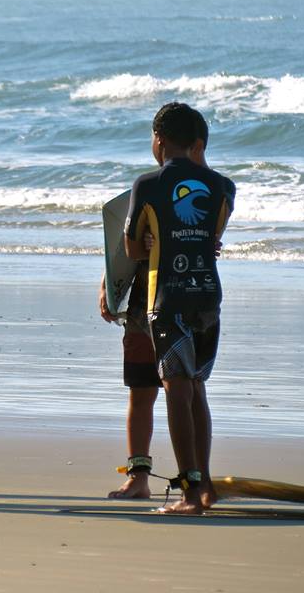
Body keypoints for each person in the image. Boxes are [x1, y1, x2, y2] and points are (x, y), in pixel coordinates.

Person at [123, 102, 234, 515]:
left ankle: (189, 496)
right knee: (196, 389)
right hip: (208, 297)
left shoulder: (148, 184)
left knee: (176, 389)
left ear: (159, 139)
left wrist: (148, 241)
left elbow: (133, 247)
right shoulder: (224, 186)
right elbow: (213, 236)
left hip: (167, 299)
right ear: (197, 142)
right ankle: (204, 486)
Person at [100, 112, 211, 500]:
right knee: (143, 389)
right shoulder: (150, 188)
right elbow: (123, 244)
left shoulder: (166, 186)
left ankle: (196, 482)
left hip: (170, 302)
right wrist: (109, 285)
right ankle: (139, 476)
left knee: (187, 391)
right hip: (143, 302)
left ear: (160, 140)